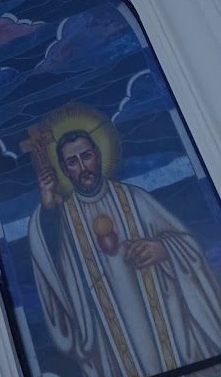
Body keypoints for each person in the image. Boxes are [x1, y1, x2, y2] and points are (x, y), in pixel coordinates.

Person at [29, 126, 221, 376]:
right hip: (109, 343)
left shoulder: (134, 198)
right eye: (72, 162)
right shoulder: (61, 218)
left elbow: (188, 243)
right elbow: (49, 260)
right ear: (65, 170)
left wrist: (164, 249)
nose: (82, 167)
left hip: (169, 331)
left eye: (86, 156)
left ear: (98, 155)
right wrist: (46, 204)